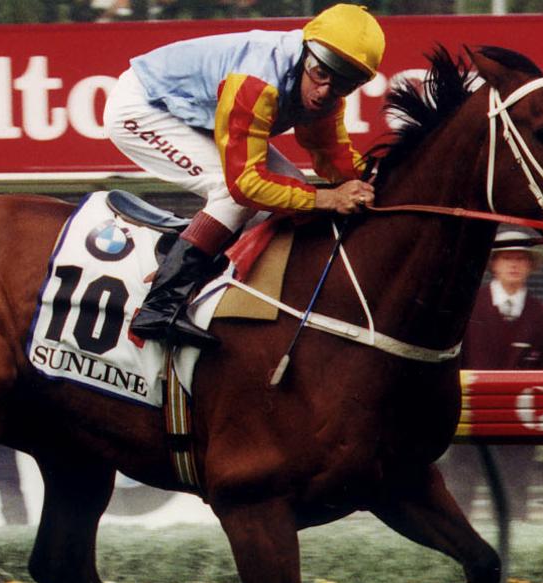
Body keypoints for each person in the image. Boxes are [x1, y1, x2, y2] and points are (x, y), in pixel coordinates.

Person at [102, 3, 384, 348]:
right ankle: (158, 309)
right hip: (142, 107)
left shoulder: (326, 93)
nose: (325, 89)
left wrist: (379, 181)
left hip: (199, 114)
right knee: (232, 194)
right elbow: (246, 185)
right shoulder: (257, 81)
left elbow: (331, 156)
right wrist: (328, 198)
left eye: (342, 83)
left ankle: (203, 257)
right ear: (305, 52)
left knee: (290, 194)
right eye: (320, 72)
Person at [440, 225, 543, 521]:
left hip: (517, 430)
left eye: (521, 258)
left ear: (531, 265)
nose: (514, 264)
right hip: (471, 423)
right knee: (458, 500)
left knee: (515, 503)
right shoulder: (467, 306)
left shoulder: (542, 315)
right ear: (493, 264)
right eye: (507, 258)